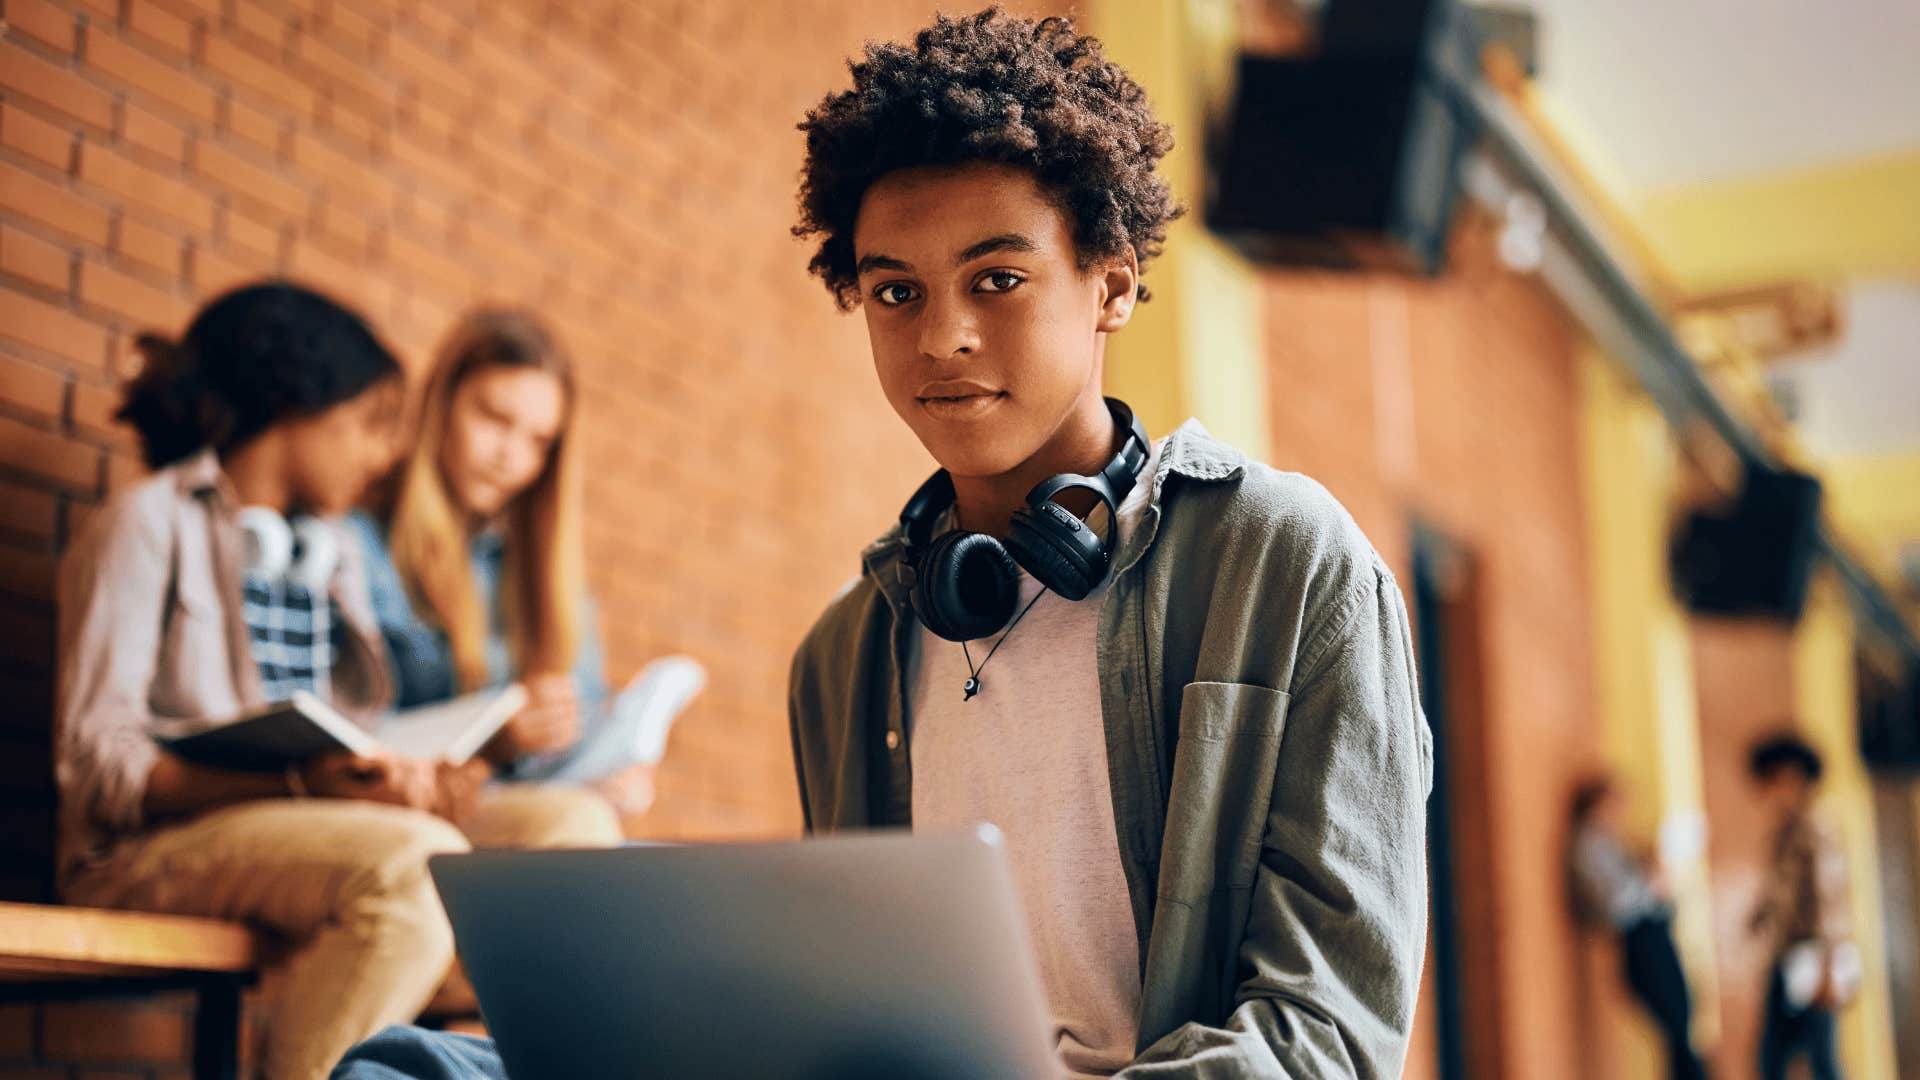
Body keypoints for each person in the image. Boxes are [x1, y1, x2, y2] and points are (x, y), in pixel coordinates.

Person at [337, 9, 1429, 1080]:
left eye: (997, 280)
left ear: (1113, 283)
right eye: (896, 291)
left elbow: (1325, 1036)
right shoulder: (847, 652)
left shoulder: (1287, 569)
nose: (942, 335)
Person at [53, 282, 620, 1080]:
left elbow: (361, 728)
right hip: (144, 851)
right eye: (365, 426)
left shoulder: (333, 555)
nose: (381, 453)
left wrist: (407, 775)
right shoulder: (149, 523)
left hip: (305, 827)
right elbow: (98, 770)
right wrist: (298, 781)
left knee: (573, 838)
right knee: (409, 868)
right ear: (298, 414)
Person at [347, 309, 682, 819]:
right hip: (400, 807)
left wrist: (609, 768)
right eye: (494, 419)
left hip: (507, 802)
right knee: (574, 826)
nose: (511, 456)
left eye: (538, 442)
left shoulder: (546, 576)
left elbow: (584, 707)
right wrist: (491, 740)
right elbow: (347, 735)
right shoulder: (362, 542)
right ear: (443, 404)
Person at [1567, 774, 1707, 1080]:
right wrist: (1649, 880)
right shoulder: (1589, 845)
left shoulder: (1614, 842)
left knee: (1682, 1027)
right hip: (1641, 946)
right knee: (1677, 1033)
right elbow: (1616, 904)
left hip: (1656, 938)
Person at [1748, 733, 1855, 1080]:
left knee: (1820, 1058)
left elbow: (1829, 898)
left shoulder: (1814, 825)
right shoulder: (1785, 830)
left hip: (1813, 957)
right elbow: (1781, 892)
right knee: (1775, 1059)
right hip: (1787, 957)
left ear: (1793, 778)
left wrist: (1829, 966)